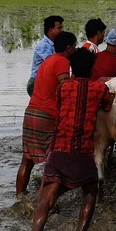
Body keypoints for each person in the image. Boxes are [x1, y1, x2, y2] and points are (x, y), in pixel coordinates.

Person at [31, 48, 107, 231]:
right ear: (91, 69)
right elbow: (107, 105)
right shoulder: (99, 89)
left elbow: (61, 108)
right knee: (91, 192)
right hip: (82, 151)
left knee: (46, 201)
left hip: (59, 149)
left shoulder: (62, 88)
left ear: (72, 69)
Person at [17, 31, 76, 194]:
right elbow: (66, 89)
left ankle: (20, 197)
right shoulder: (62, 61)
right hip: (47, 115)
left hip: (31, 113)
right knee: (52, 161)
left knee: (26, 160)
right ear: (69, 48)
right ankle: (43, 201)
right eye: (75, 47)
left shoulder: (48, 60)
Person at [28, 15, 64, 96]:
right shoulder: (44, 45)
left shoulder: (54, 44)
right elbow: (52, 63)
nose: (62, 30)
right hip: (36, 82)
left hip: (43, 81)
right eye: (59, 28)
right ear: (51, 30)